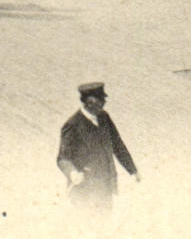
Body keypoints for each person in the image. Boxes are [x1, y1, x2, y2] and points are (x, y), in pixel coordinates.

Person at [56, 82, 139, 214]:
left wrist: (132, 170)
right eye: (99, 100)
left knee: (105, 221)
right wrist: (73, 173)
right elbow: (63, 158)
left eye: (103, 99)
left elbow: (117, 145)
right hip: (84, 190)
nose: (103, 102)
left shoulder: (104, 117)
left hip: (105, 186)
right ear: (87, 101)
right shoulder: (72, 125)